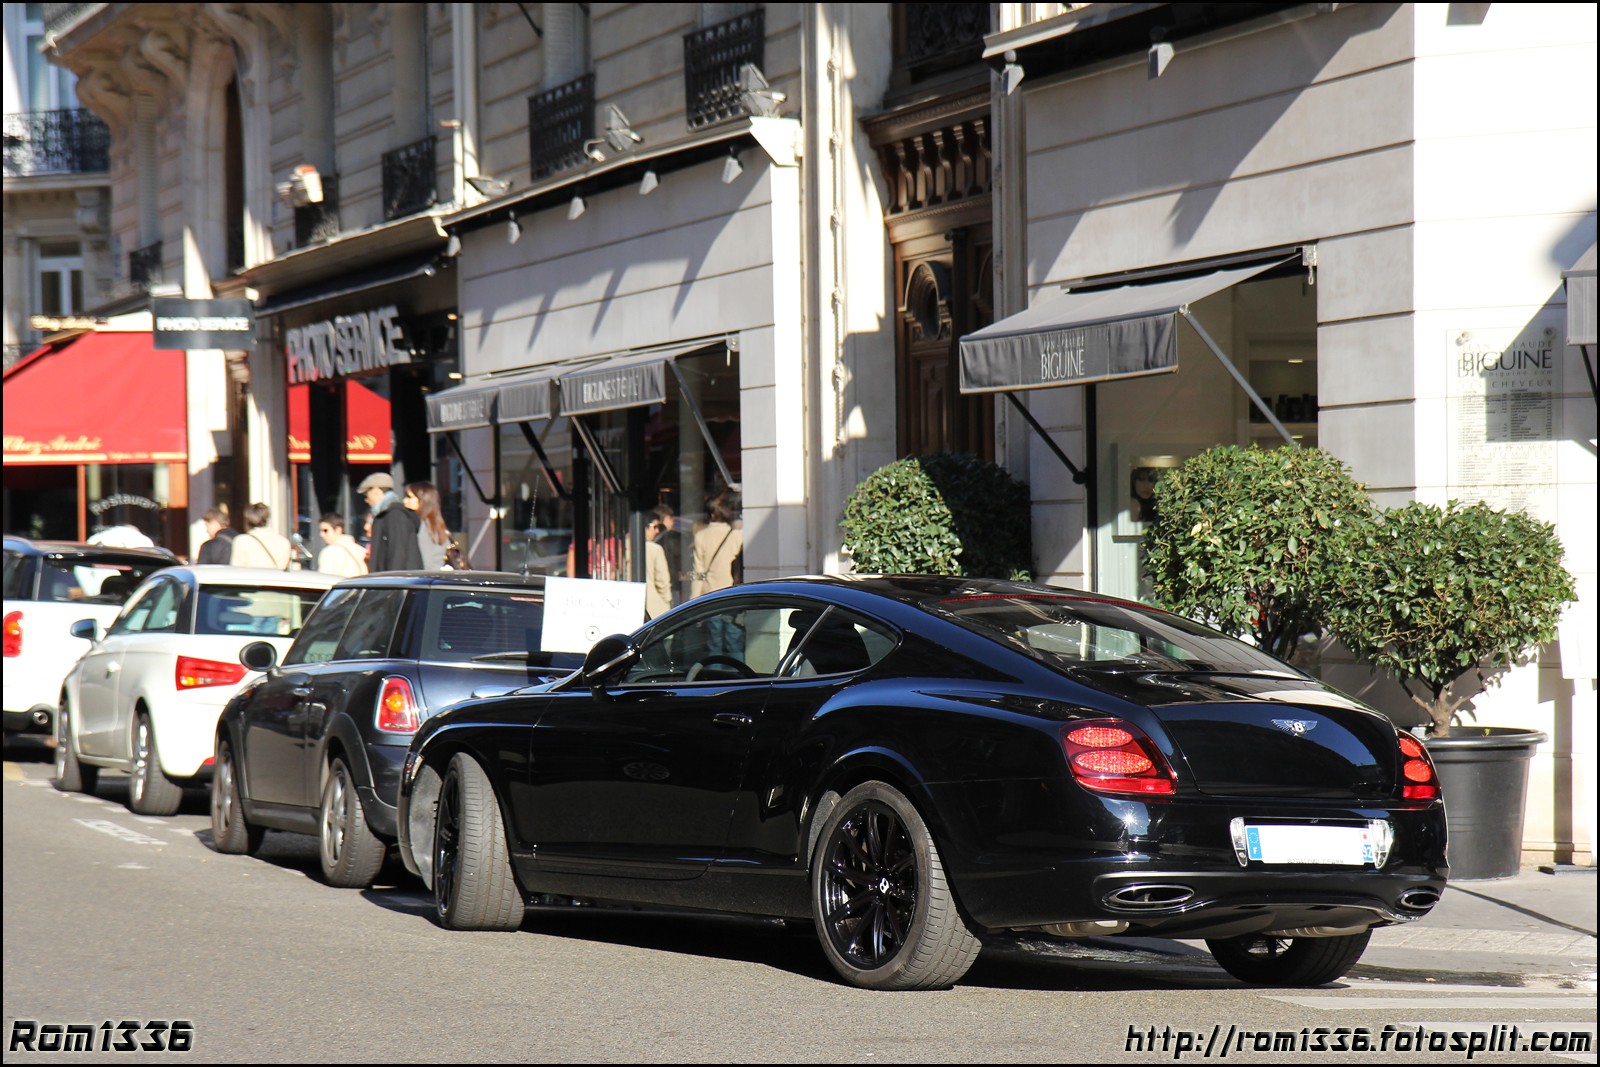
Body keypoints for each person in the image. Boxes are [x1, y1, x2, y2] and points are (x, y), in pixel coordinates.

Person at [360, 472, 422, 572]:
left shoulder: (395, 515)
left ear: (376, 490)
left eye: (367, 494)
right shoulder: (385, 515)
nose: (366, 500)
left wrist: (391, 582)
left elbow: (398, 553)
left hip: (397, 581)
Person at [690, 494, 743, 600]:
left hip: (709, 594)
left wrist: (694, 597)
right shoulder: (737, 535)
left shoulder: (700, 536)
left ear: (711, 515)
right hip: (733, 591)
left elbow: (698, 572)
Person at [229, 502, 295, 570]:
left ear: (247, 521)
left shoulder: (241, 541)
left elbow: (236, 571)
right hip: (277, 580)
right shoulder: (284, 542)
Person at [405, 481, 451, 571]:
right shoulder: (438, 525)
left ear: (423, 500)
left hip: (425, 578)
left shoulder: (421, 526)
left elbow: (426, 560)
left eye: (410, 497)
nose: (405, 500)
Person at [643, 506, 674, 620]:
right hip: (655, 607)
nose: (657, 530)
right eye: (655, 526)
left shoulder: (624, 545)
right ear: (645, 527)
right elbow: (663, 581)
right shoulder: (655, 549)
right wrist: (668, 600)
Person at [316, 513, 368, 578]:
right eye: (320, 531)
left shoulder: (329, 552)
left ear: (338, 530)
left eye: (325, 530)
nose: (321, 534)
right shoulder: (360, 549)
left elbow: (324, 579)